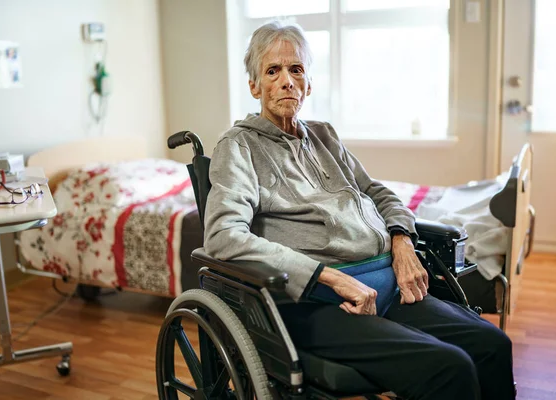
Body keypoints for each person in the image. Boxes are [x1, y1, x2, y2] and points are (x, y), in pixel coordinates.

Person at [203, 21, 515, 400]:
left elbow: (377, 191)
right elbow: (223, 236)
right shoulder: (239, 147)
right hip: (320, 305)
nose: (287, 80)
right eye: (273, 71)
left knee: (492, 343)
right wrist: (330, 278)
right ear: (254, 85)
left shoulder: (324, 136)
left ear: (309, 84)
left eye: (296, 69)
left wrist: (401, 242)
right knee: (450, 367)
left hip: (390, 289)